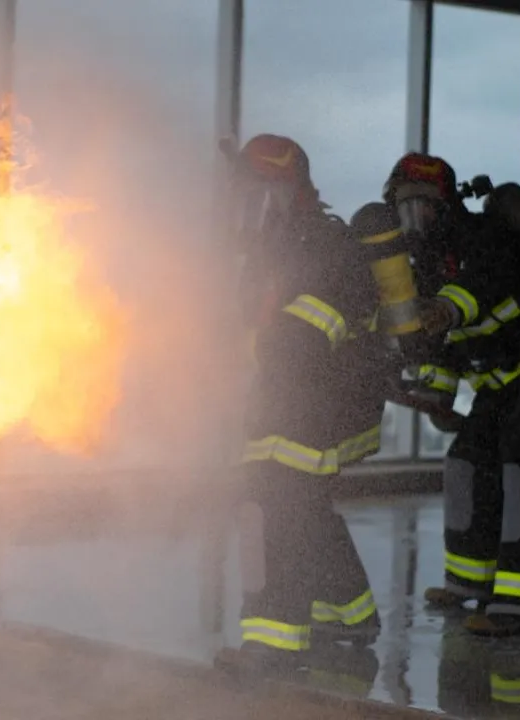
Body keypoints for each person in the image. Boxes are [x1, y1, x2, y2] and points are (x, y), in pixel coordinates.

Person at [384, 152, 520, 636]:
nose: (417, 220)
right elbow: (444, 346)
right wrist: (436, 392)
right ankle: (471, 581)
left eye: (425, 206)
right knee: (467, 462)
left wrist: (444, 311)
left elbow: (480, 288)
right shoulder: (429, 266)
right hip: (507, 388)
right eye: (406, 209)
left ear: (450, 203)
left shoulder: (490, 238)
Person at [219, 133, 393, 671]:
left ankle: (272, 640)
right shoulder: (272, 250)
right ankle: (351, 613)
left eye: (260, 194)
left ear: (290, 189)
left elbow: (300, 338)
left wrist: (250, 340)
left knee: (274, 498)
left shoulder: (326, 244)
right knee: (301, 502)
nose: (250, 209)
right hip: (290, 399)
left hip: (325, 402)